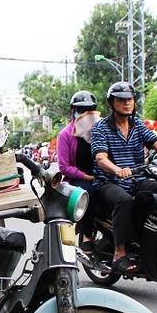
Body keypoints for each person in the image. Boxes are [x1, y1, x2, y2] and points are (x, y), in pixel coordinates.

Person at [90, 81, 157, 273]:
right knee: (124, 201)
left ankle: (156, 238)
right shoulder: (101, 128)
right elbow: (101, 158)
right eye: (121, 100)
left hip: (137, 179)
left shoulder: (137, 124)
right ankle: (119, 253)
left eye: (129, 99)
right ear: (112, 103)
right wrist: (117, 169)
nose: (127, 103)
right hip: (109, 183)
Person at [56, 90, 99, 252]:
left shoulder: (100, 131)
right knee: (89, 193)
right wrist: (87, 176)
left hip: (100, 175)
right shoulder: (65, 135)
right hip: (78, 179)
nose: (85, 115)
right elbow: (64, 167)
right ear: (73, 112)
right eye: (81, 110)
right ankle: (88, 235)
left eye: (89, 110)